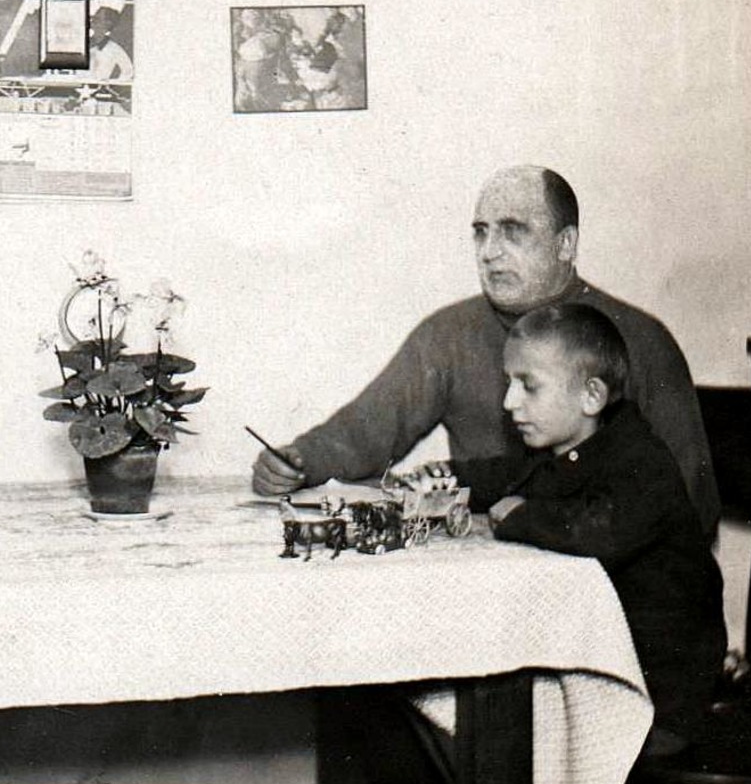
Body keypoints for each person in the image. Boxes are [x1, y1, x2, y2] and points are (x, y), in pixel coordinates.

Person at [252, 165, 720, 541]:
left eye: (512, 232)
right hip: (491, 571)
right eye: (480, 232)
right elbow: (368, 429)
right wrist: (295, 461)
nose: (490, 252)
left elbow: (690, 503)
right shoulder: (449, 333)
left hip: (607, 579)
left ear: (565, 244)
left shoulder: (639, 339)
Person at [487, 303, 726, 753]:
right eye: (509, 384)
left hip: (662, 698)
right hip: (615, 673)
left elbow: (596, 532)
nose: (509, 402)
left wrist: (519, 516)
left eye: (528, 387)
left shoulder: (640, 462)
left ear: (591, 396)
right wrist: (443, 477)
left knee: (503, 735)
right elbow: (503, 474)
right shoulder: (579, 447)